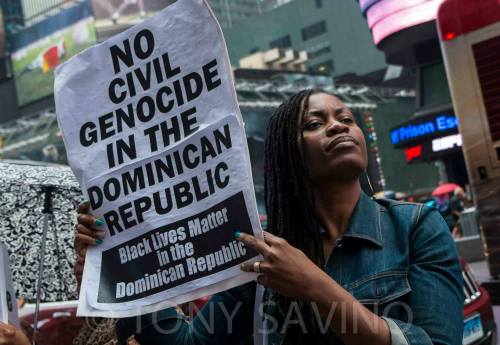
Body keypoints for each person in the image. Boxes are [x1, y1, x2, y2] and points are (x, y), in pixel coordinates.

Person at [76, 89, 464, 345]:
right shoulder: (262, 256)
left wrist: (316, 287)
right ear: (287, 155)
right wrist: (121, 268)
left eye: (346, 118)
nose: (338, 126)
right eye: (314, 124)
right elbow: (190, 343)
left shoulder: (415, 227)